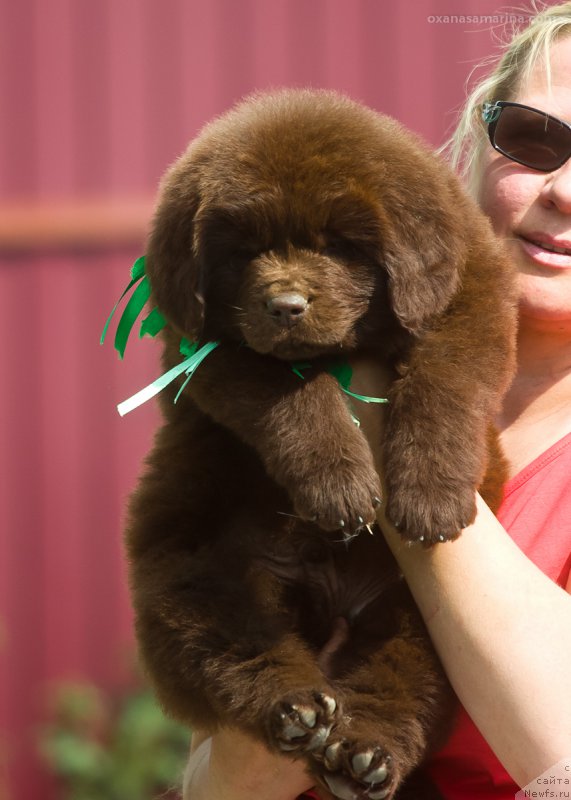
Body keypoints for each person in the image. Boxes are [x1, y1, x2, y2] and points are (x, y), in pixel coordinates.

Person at [183, 4, 571, 797]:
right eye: (536, 139)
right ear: (473, 143)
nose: (565, 192)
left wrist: (390, 436)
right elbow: (222, 774)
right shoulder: (284, 371)